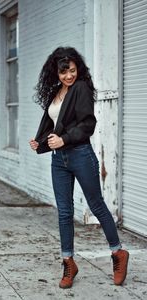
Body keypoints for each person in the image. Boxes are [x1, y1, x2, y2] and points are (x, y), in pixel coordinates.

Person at [29, 47, 129, 289]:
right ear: (56, 72)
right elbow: (55, 124)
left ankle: (118, 253)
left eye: (72, 71)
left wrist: (64, 139)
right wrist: (41, 142)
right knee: (64, 212)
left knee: (96, 205)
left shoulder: (81, 88)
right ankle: (68, 263)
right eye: (64, 72)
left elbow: (87, 123)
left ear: (78, 69)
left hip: (80, 155)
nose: (69, 76)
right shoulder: (56, 92)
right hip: (59, 160)